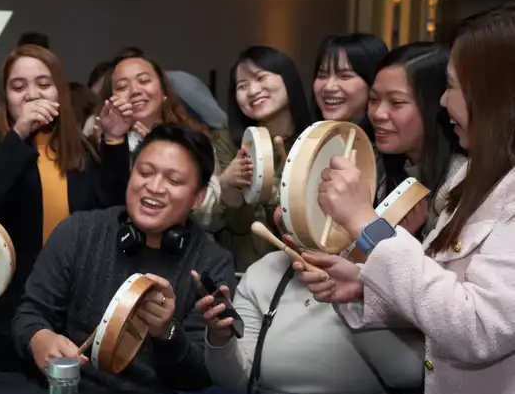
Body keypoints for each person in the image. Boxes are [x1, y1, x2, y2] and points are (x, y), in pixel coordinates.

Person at [297, 5, 515, 394]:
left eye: (452, 87)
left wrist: (367, 225)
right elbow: (443, 289)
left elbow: (477, 328)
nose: (444, 103)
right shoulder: (479, 176)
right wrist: (363, 285)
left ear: (494, 94)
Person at [13, 124, 236, 392]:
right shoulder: (79, 231)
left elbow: (201, 378)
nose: (154, 187)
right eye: (145, 172)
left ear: (198, 197)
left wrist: (167, 333)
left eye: (174, 181)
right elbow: (29, 315)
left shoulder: (212, 264)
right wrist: (39, 338)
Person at [0, 44, 132, 375]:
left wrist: (115, 141)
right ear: (5, 97)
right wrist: (19, 134)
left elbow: (112, 212)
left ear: (59, 91)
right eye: (19, 87)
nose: (32, 94)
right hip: (3, 311)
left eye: (43, 84)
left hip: (69, 309)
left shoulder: (77, 147)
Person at [200, 205, 423, 394]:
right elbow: (236, 385)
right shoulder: (263, 272)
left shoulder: (388, 271)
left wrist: (357, 296)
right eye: (281, 199)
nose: (283, 212)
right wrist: (221, 339)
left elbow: (409, 375)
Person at [216, 46, 314, 271]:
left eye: (260, 78)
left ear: (287, 78)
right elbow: (236, 225)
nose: (252, 91)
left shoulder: (313, 140)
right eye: (242, 86)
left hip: (304, 272)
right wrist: (228, 187)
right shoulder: (227, 143)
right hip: (242, 272)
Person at [106, 50, 225, 229]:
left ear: (163, 91)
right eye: (122, 87)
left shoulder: (194, 140)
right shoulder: (103, 146)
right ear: (111, 99)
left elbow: (213, 218)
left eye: (144, 81)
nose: (135, 91)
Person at [369, 42, 466, 234]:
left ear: (436, 104)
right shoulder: (379, 166)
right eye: (373, 99)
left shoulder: (459, 181)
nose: (378, 113)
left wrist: (408, 237)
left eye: (396, 102)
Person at [313, 33, 388, 129]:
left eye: (345, 76)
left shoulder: (388, 138)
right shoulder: (307, 137)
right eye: (322, 75)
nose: (329, 87)